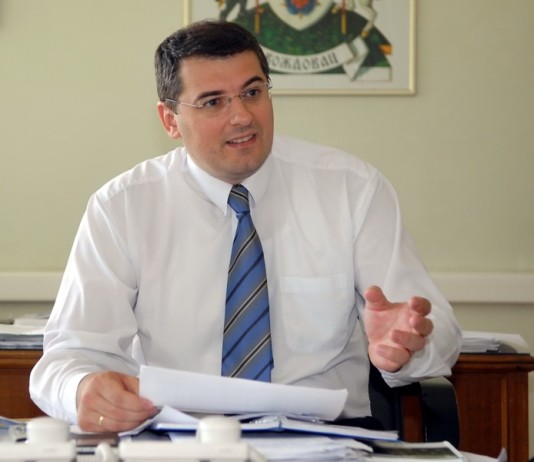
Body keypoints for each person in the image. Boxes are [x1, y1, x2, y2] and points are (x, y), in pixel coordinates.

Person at [30, 20, 462, 433]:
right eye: (213, 101)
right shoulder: (122, 207)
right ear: (169, 120)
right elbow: (68, 356)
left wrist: (407, 345)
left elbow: (439, 331)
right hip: (179, 436)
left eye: (252, 92)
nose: (242, 116)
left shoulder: (351, 189)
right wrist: (82, 389)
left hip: (327, 437)